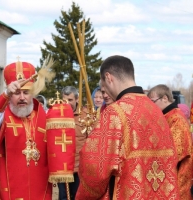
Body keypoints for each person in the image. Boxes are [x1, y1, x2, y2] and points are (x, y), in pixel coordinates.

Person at [76, 55, 180, 199]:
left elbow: (94, 168)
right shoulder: (157, 111)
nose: (104, 91)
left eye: (103, 86)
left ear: (108, 77)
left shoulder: (115, 113)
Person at [0, 61, 52, 199]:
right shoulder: (1, 117)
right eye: (17, 93)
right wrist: (5, 94)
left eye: (26, 92)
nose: (22, 97)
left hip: (40, 184)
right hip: (8, 185)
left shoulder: (45, 115)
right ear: (10, 95)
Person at [147, 84, 192, 200]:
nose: (151, 106)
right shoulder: (166, 116)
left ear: (165, 98)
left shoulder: (177, 119)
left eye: (153, 101)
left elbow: (173, 153)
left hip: (177, 180)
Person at [57, 86, 87, 200]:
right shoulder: (57, 114)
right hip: (62, 167)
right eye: (65, 100)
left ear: (77, 99)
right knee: (63, 197)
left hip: (79, 168)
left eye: (70, 100)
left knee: (77, 197)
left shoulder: (85, 116)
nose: (67, 103)